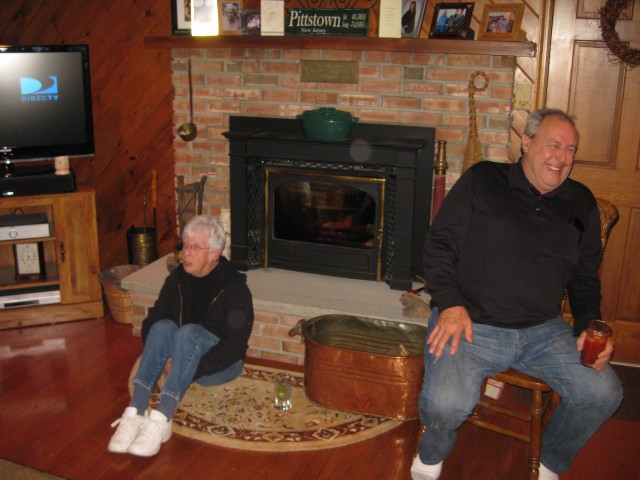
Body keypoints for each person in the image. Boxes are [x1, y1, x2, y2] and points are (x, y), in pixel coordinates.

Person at [411, 109, 623, 480]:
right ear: (526, 142)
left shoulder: (580, 201)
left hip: (543, 331)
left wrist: (589, 326)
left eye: (570, 149)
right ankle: (432, 452)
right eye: (553, 144)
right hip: (472, 321)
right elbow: (439, 246)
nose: (562, 157)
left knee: (603, 393)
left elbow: (584, 278)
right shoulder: (484, 180)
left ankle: (550, 462)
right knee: (446, 404)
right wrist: (451, 304)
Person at [108, 215, 254, 457]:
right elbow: (151, 324)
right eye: (185, 244)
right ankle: (135, 411)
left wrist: (186, 367)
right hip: (181, 356)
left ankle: (162, 416)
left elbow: (234, 348)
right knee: (162, 327)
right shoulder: (177, 280)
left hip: (218, 367)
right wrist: (169, 359)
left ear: (214, 254)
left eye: (195, 247)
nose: (186, 252)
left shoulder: (234, 288)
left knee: (188, 332)